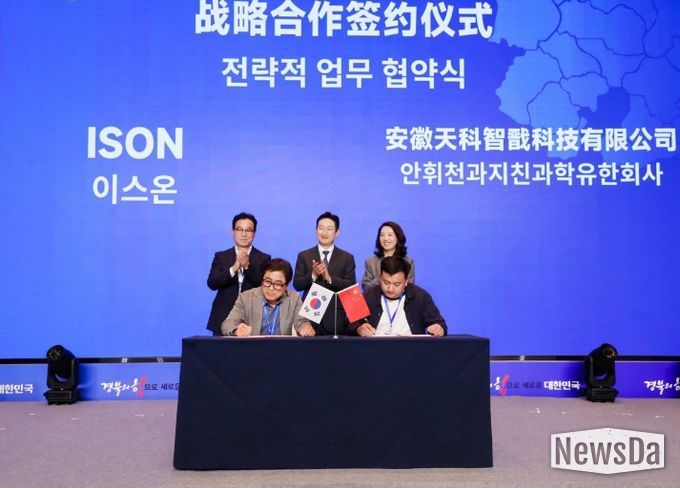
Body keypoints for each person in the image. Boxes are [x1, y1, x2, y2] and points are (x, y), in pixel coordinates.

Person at [205, 212, 271, 336]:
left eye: (248, 230)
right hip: (223, 315)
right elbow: (212, 283)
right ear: (233, 232)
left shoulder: (264, 258)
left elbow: (264, 285)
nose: (243, 234)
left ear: (254, 233)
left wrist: (247, 267)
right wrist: (233, 269)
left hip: (252, 316)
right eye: (239, 229)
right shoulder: (221, 257)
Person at [293, 211, 356, 335]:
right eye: (321, 228)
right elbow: (297, 284)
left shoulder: (347, 258)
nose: (324, 232)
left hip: (336, 319)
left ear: (337, 232)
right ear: (316, 230)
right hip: (310, 318)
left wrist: (330, 278)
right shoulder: (304, 255)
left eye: (329, 229)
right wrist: (313, 275)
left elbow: (351, 287)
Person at [351, 256, 446, 337]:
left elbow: (439, 323)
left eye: (397, 284)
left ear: (406, 282)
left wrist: (438, 328)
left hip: (411, 349)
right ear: (380, 278)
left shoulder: (420, 296)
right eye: (386, 283)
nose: (390, 289)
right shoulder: (368, 295)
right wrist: (358, 328)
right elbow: (350, 324)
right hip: (375, 348)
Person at [222, 258, 316, 336]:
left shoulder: (294, 298)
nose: (271, 288)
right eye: (267, 281)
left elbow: (301, 322)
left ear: (286, 285)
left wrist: (305, 328)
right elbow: (227, 324)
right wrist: (236, 330)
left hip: (282, 350)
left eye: (278, 284)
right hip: (253, 349)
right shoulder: (246, 298)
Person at [361, 221, 415, 288]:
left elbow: (410, 288)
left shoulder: (408, 262)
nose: (385, 239)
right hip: (376, 295)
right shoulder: (370, 262)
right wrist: (382, 277)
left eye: (390, 235)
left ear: (398, 237)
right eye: (382, 235)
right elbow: (366, 287)